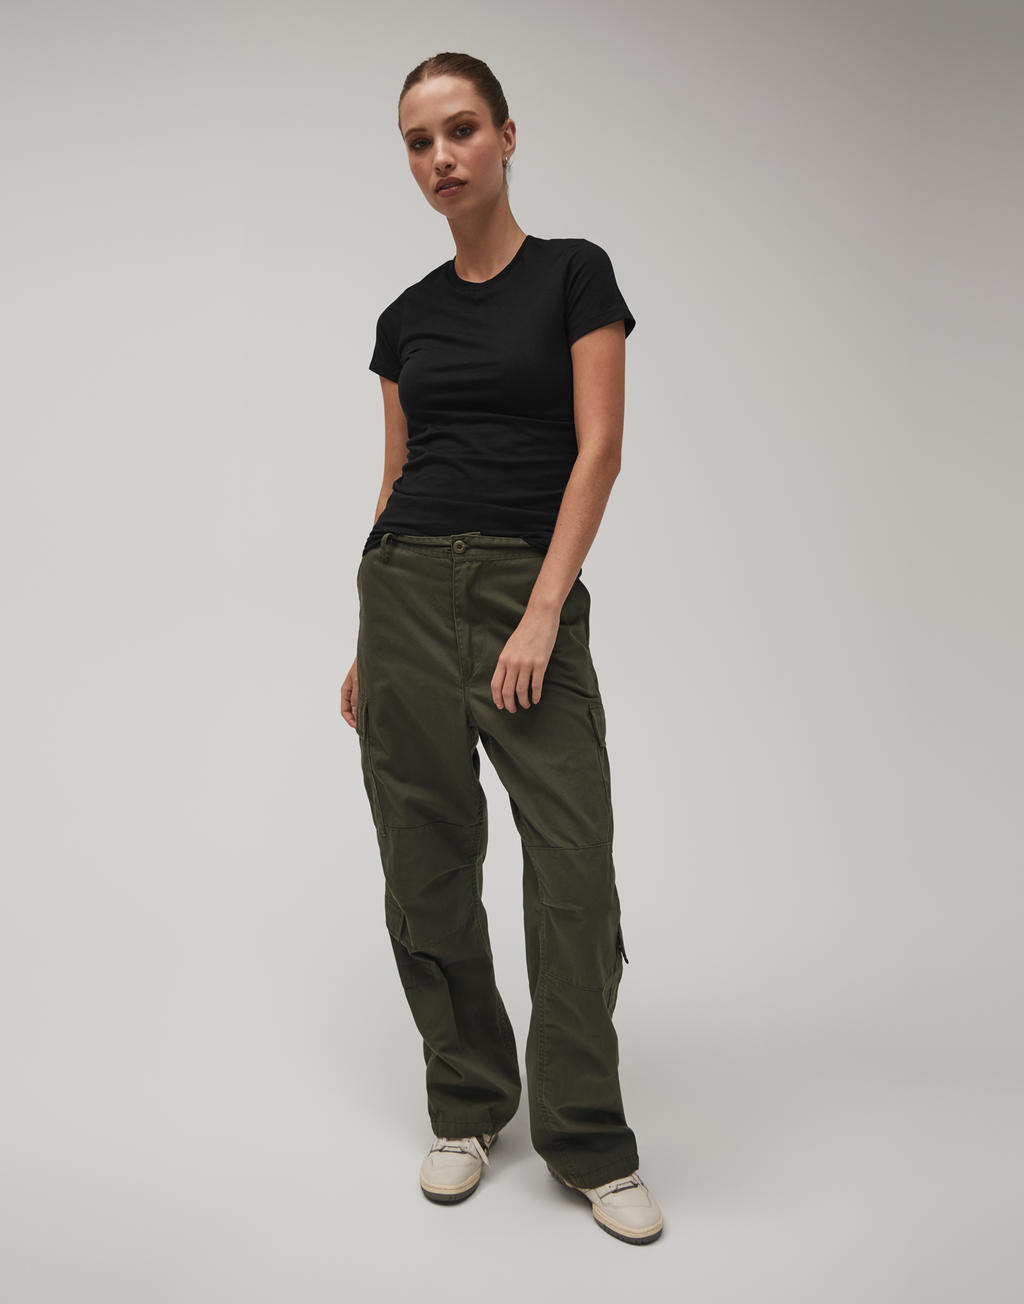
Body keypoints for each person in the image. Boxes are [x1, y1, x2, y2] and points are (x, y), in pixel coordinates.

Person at [339, 51, 663, 1246]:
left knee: (572, 866)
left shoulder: (575, 275)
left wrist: (540, 610)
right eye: (419, 141)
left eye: (462, 129)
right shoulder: (404, 318)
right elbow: (394, 478)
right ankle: (468, 1100)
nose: (441, 157)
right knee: (425, 862)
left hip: (527, 587)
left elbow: (600, 449)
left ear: (508, 135)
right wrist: (367, 639)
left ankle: (588, 1136)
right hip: (404, 596)